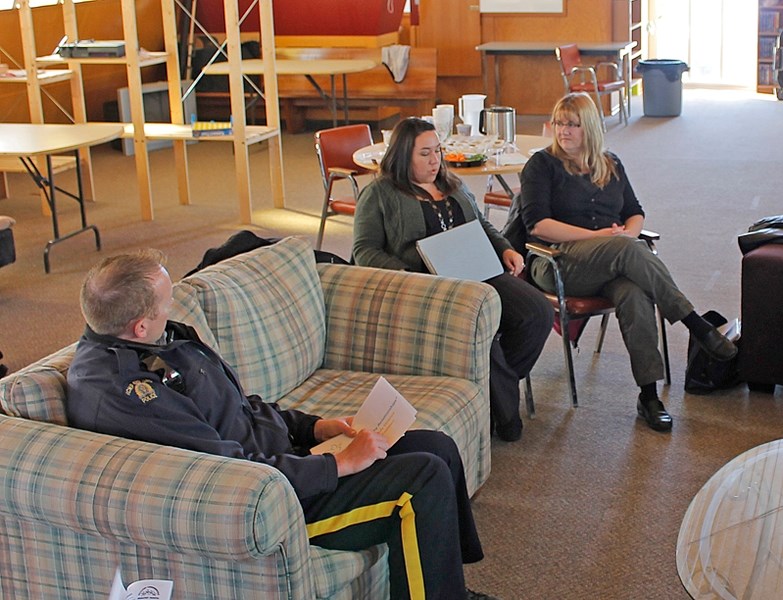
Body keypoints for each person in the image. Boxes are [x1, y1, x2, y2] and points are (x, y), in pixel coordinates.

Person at [65, 250, 498, 600]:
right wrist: (341, 465)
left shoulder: (159, 339)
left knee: (435, 445)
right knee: (421, 479)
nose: (172, 308)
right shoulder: (125, 394)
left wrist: (314, 428)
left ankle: (448, 586)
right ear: (139, 325)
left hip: (285, 462)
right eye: (166, 304)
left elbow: (240, 406)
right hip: (270, 500)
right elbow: (227, 469)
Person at [503, 92, 737, 432]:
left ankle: (649, 395)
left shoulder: (610, 163)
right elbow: (539, 226)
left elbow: (635, 213)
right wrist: (606, 239)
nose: (563, 131)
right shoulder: (542, 165)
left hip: (610, 263)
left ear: (591, 128)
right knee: (628, 251)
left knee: (633, 293)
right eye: (559, 123)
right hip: (556, 263)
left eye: (573, 124)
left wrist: (627, 234)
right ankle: (695, 324)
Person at [352, 117, 553, 443]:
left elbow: (482, 227)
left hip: (477, 270)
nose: (435, 161)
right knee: (479, 333)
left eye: (438, 152)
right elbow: (364, 251)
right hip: (429, 287)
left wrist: (505, 250)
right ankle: (503, 412)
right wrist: (407, 276)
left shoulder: (451, 183)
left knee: (538, 313)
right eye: (425, 154)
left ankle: (493, 391)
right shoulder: (379, 193)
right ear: (404, 155)